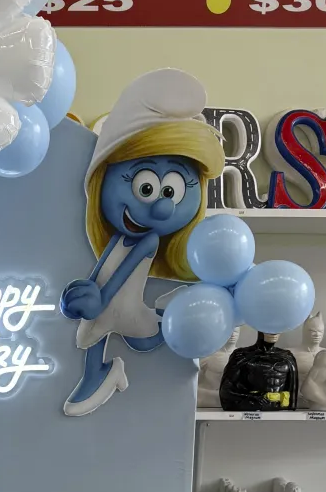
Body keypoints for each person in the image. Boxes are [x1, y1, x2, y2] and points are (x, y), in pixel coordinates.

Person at [59, 69, 224, 416]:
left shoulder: (147, 240)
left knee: (136, 332)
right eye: (145, 187)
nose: (161, 206)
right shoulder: (119, 236)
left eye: (172, 192)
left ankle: (170, 311)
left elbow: (119, 276)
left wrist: (99, 299)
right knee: (94, 332)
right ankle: (99, 374)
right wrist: (87, 292)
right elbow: (104, 268)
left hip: (127, 312)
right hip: (113, 308)